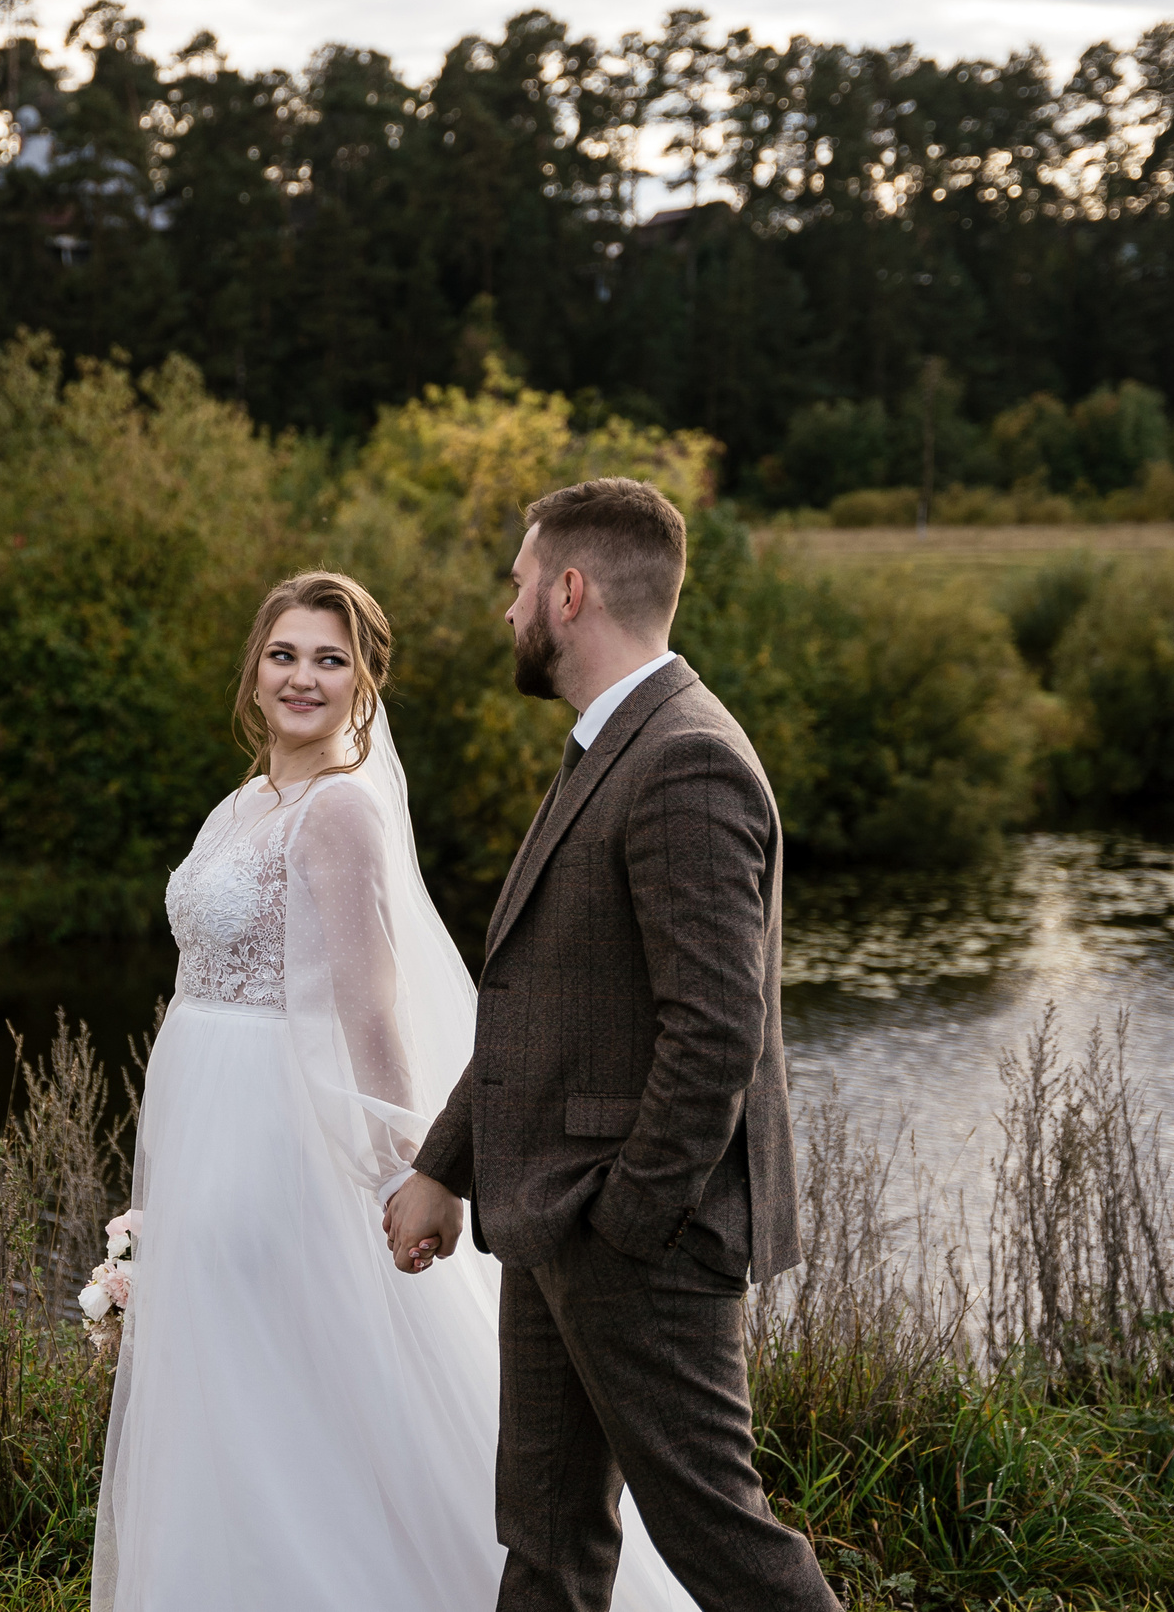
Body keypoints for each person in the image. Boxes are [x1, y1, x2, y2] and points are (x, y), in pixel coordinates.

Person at [92, 570, 698, 1612]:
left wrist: (399, 1169)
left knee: (277, 1395)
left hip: (274, 1136)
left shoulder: (335, 812)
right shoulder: (245, 802)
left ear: (364, 682)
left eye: (330, 660)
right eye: (284, 653)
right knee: (238, 1393)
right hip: (205, 1118)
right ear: (253, 668)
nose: (301, 677)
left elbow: (372, 1009)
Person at [384, 478, 840, 1611]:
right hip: (555, 1215)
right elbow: (534, 1006)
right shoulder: (609, 743)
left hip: (630, 1232)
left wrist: (630, 1220)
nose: (509, 609)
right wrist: (447, 1166)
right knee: (546, 1537)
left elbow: (715, 1030)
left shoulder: (685, 758)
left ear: (571, 591)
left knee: (726, 1545)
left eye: (520, 582)